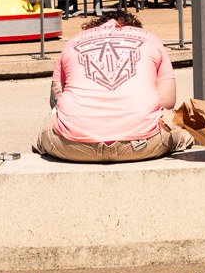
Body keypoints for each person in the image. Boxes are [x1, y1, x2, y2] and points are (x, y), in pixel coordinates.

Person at [32, 10, 194, 163]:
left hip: (70, 146)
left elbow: (56, 100)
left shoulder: (73, 42)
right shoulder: (151, 40)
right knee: (181, 127)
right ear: (133, 26)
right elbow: (167, 101)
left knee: (48, 125)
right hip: (144, 144)